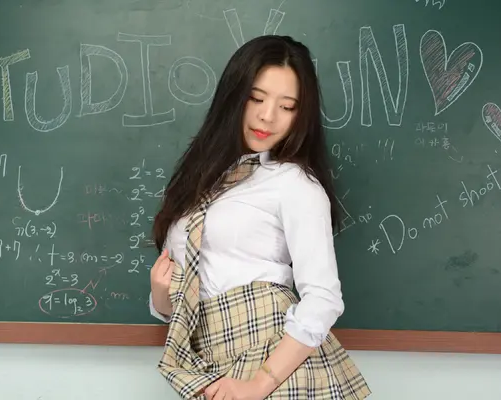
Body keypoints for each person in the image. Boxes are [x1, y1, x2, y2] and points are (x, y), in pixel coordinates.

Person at [148, 35, 371, 400]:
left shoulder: (295, 183)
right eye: (256, 98)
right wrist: (161, 298)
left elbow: (323, 298)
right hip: (210, 363)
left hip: (273, 364)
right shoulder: (201, 181)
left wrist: (259, 384)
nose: (268, 116)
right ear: (233, 96)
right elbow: (195, 292)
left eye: (287, 106)